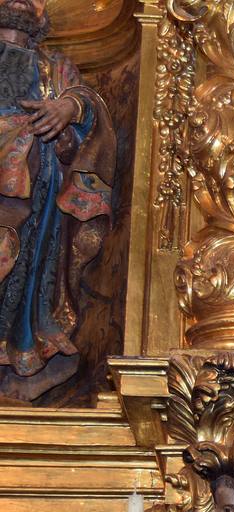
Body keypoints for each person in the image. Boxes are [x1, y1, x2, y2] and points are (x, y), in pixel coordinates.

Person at [0, 0, 114, 391]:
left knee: (13, 256)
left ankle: (15, 348)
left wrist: (68, 107)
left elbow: (86, 102)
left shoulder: (54, 68)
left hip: (34, 199)